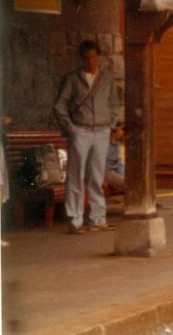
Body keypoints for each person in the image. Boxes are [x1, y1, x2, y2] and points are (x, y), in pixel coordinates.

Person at [53, 40, 121, 235]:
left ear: (98, 57)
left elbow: (114, 104)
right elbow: (59, 105)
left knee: (97, 177)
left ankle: (98, 218)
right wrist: (71, 128)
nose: (91, 61)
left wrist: (110, 125)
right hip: (80, 131)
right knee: (76, 176)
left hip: (101, 131)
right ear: (81, 59)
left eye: (93, 57)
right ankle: (75, 220)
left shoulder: (106, 78)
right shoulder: (72, 79)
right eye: (86, 58)